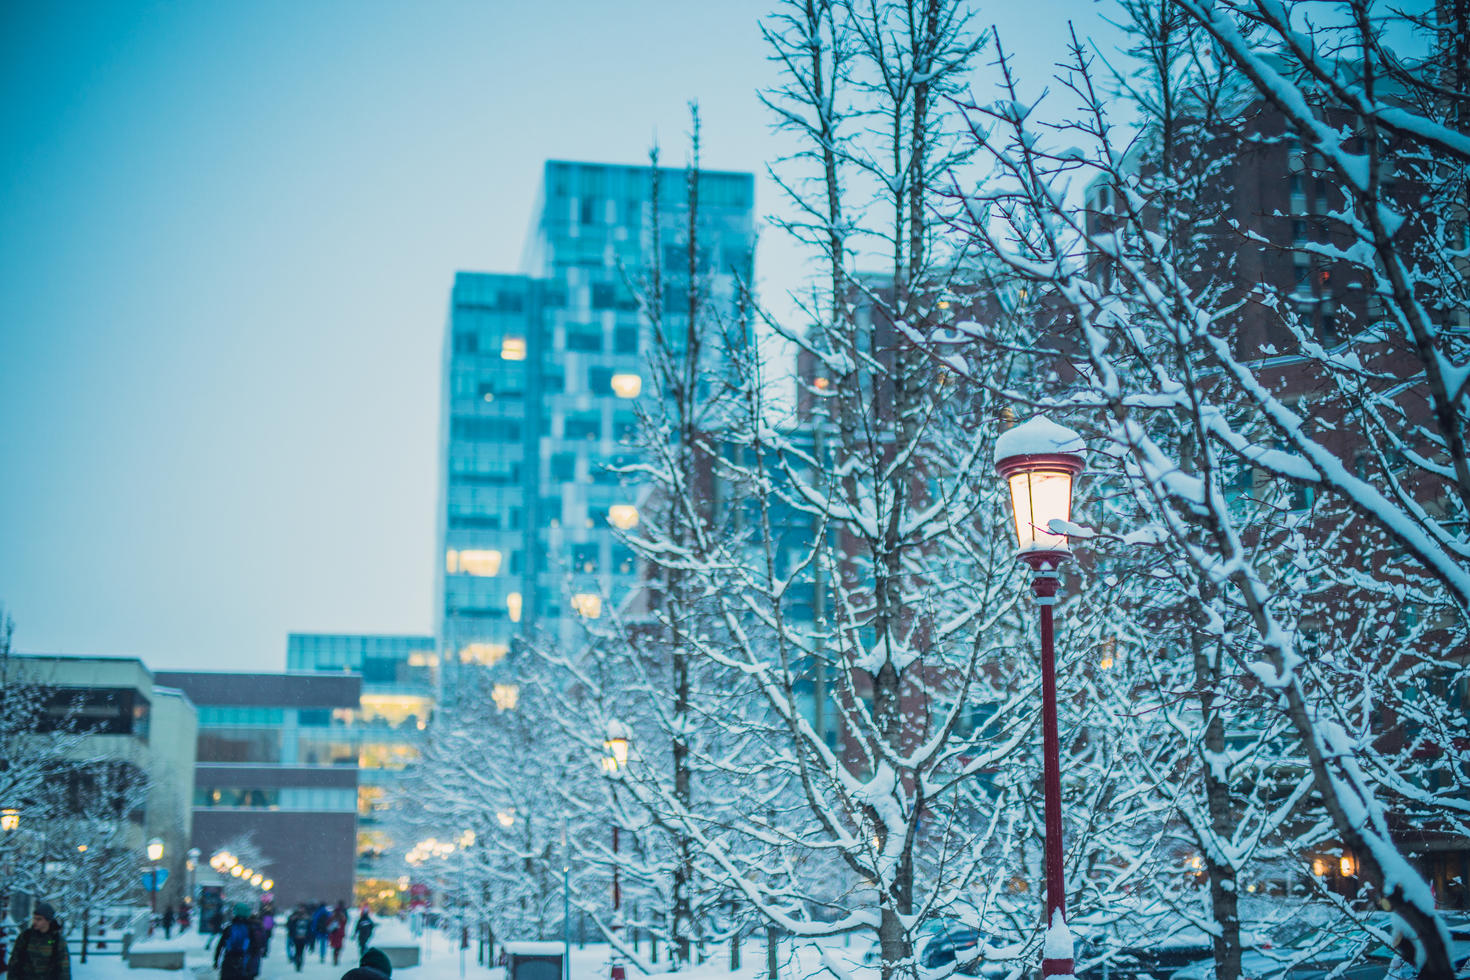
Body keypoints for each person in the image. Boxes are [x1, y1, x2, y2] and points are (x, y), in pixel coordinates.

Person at [7, 902, 69, 980]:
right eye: (34, 918)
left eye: (39, 919)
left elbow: (63, 968)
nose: (35, 922)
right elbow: (14, 963)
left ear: (48, 920)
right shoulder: (26, 937)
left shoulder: (57, 940)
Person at [212, 905, 261, 980]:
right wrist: (254, 969)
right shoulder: (251, 929)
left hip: (228, 963)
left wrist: (216, 961)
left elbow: (220, 946)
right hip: (244, 964)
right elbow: (256, 950)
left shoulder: (229, 928)